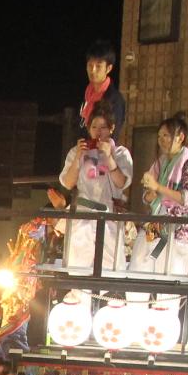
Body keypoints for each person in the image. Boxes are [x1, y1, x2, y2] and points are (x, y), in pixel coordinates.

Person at [53, 102, 133, 274]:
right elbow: (67, 183)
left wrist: (109, 157)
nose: (98, 131)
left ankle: (106, 295)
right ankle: (79, 294)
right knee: (79, 263)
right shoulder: (78, 151)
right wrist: (77, 159)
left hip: (108, 213)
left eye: (103, 127)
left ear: (111, 129)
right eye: (94, 126)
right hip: (83, 211)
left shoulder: (120, 153)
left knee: (108, 265)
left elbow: (122, 182)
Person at [131, 113, 188, 275]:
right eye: (159, 136)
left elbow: (185, 198)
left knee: (170, 274)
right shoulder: (160, 162)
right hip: (156, 224)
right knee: (143, 263)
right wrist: (149, 194)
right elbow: (149, 195)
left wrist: (158, 187)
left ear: (180, 137)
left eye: (166, 135)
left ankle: (164, 300)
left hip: (176, 228)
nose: (161, 140)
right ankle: (137, 297)